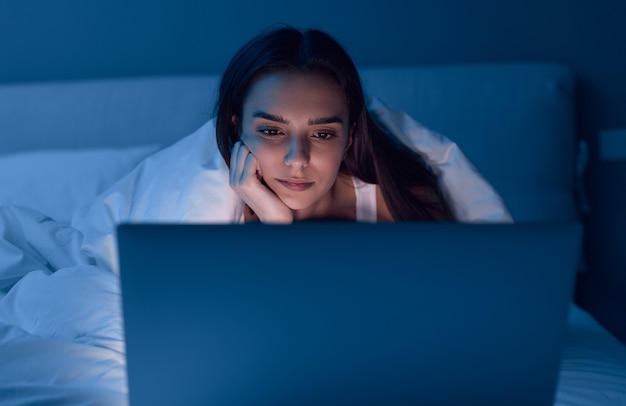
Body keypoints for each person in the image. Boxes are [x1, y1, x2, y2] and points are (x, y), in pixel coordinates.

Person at [214, 25, 454, 223]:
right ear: (237, 128)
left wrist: (279, 228)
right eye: (272, 131)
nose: (298, 159)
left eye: (323, 134)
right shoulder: (208, 214)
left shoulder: (403, 208)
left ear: (349, 138)